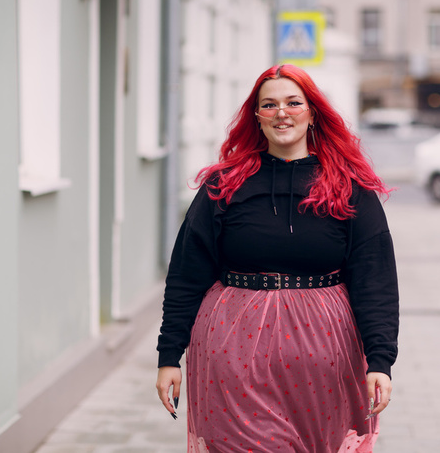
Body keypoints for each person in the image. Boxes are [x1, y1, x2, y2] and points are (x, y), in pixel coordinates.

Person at [156, 64, 399, 452]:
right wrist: (169, 355)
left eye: (292, 102)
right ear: (256, 117)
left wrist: (379, 361)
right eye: (268, 105)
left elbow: (375, 280)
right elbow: (187, 274)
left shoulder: (349, 188)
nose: (281, 112)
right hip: (231, 352)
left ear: (312, 112)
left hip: (324, 357)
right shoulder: (224, 186)